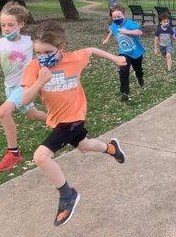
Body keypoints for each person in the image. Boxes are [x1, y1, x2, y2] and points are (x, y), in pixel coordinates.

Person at [20, 20, 127, 227]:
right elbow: (24, 100)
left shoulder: (74, 59)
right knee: (85, 146)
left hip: (73, 117)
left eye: (47, 52)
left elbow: (92, 50)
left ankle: (67, 195)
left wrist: (114, 58)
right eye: (37, 52)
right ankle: (111, 148)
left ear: (61, 48)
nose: (42, 57)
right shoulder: (34, 68)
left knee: (41, 157)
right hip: (58, 119)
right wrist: (40, 82)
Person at [0, 2, 47, 172]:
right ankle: (64, 122)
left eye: (11, 24)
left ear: (21, 24)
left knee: (3, 112)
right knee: (32, 114)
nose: (6, 28)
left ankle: (13, 153)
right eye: (3, 25)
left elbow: (47, 48)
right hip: (10, 88)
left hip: (26, 85)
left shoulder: (29, 41)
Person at [103, 5, 145, 102]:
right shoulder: (113, 25)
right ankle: (125, 93)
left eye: (119, 16)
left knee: (138, 69)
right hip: (124, 52)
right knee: (123, 71)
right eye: (114, 17)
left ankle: (139, 77)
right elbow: (111, 31)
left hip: (136, 52)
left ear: (124, 15)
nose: (117, 18)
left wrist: (127, 31)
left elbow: (140, 32)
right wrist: (107, 39)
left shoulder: (130, 24)